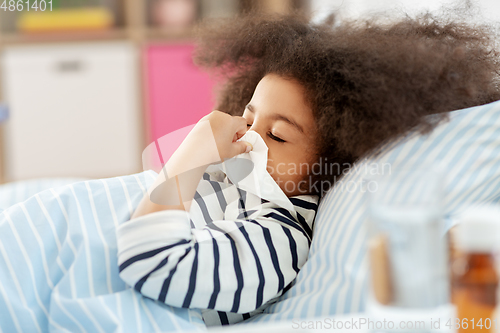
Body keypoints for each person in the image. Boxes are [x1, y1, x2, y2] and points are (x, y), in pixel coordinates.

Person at [116, 10, 500, 326]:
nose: (250, 140)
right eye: (248, 120)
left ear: (333, 164)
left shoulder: (278, 238)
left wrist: (191, 156)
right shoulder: (239, 184)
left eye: (278, 136)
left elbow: (151, 264)